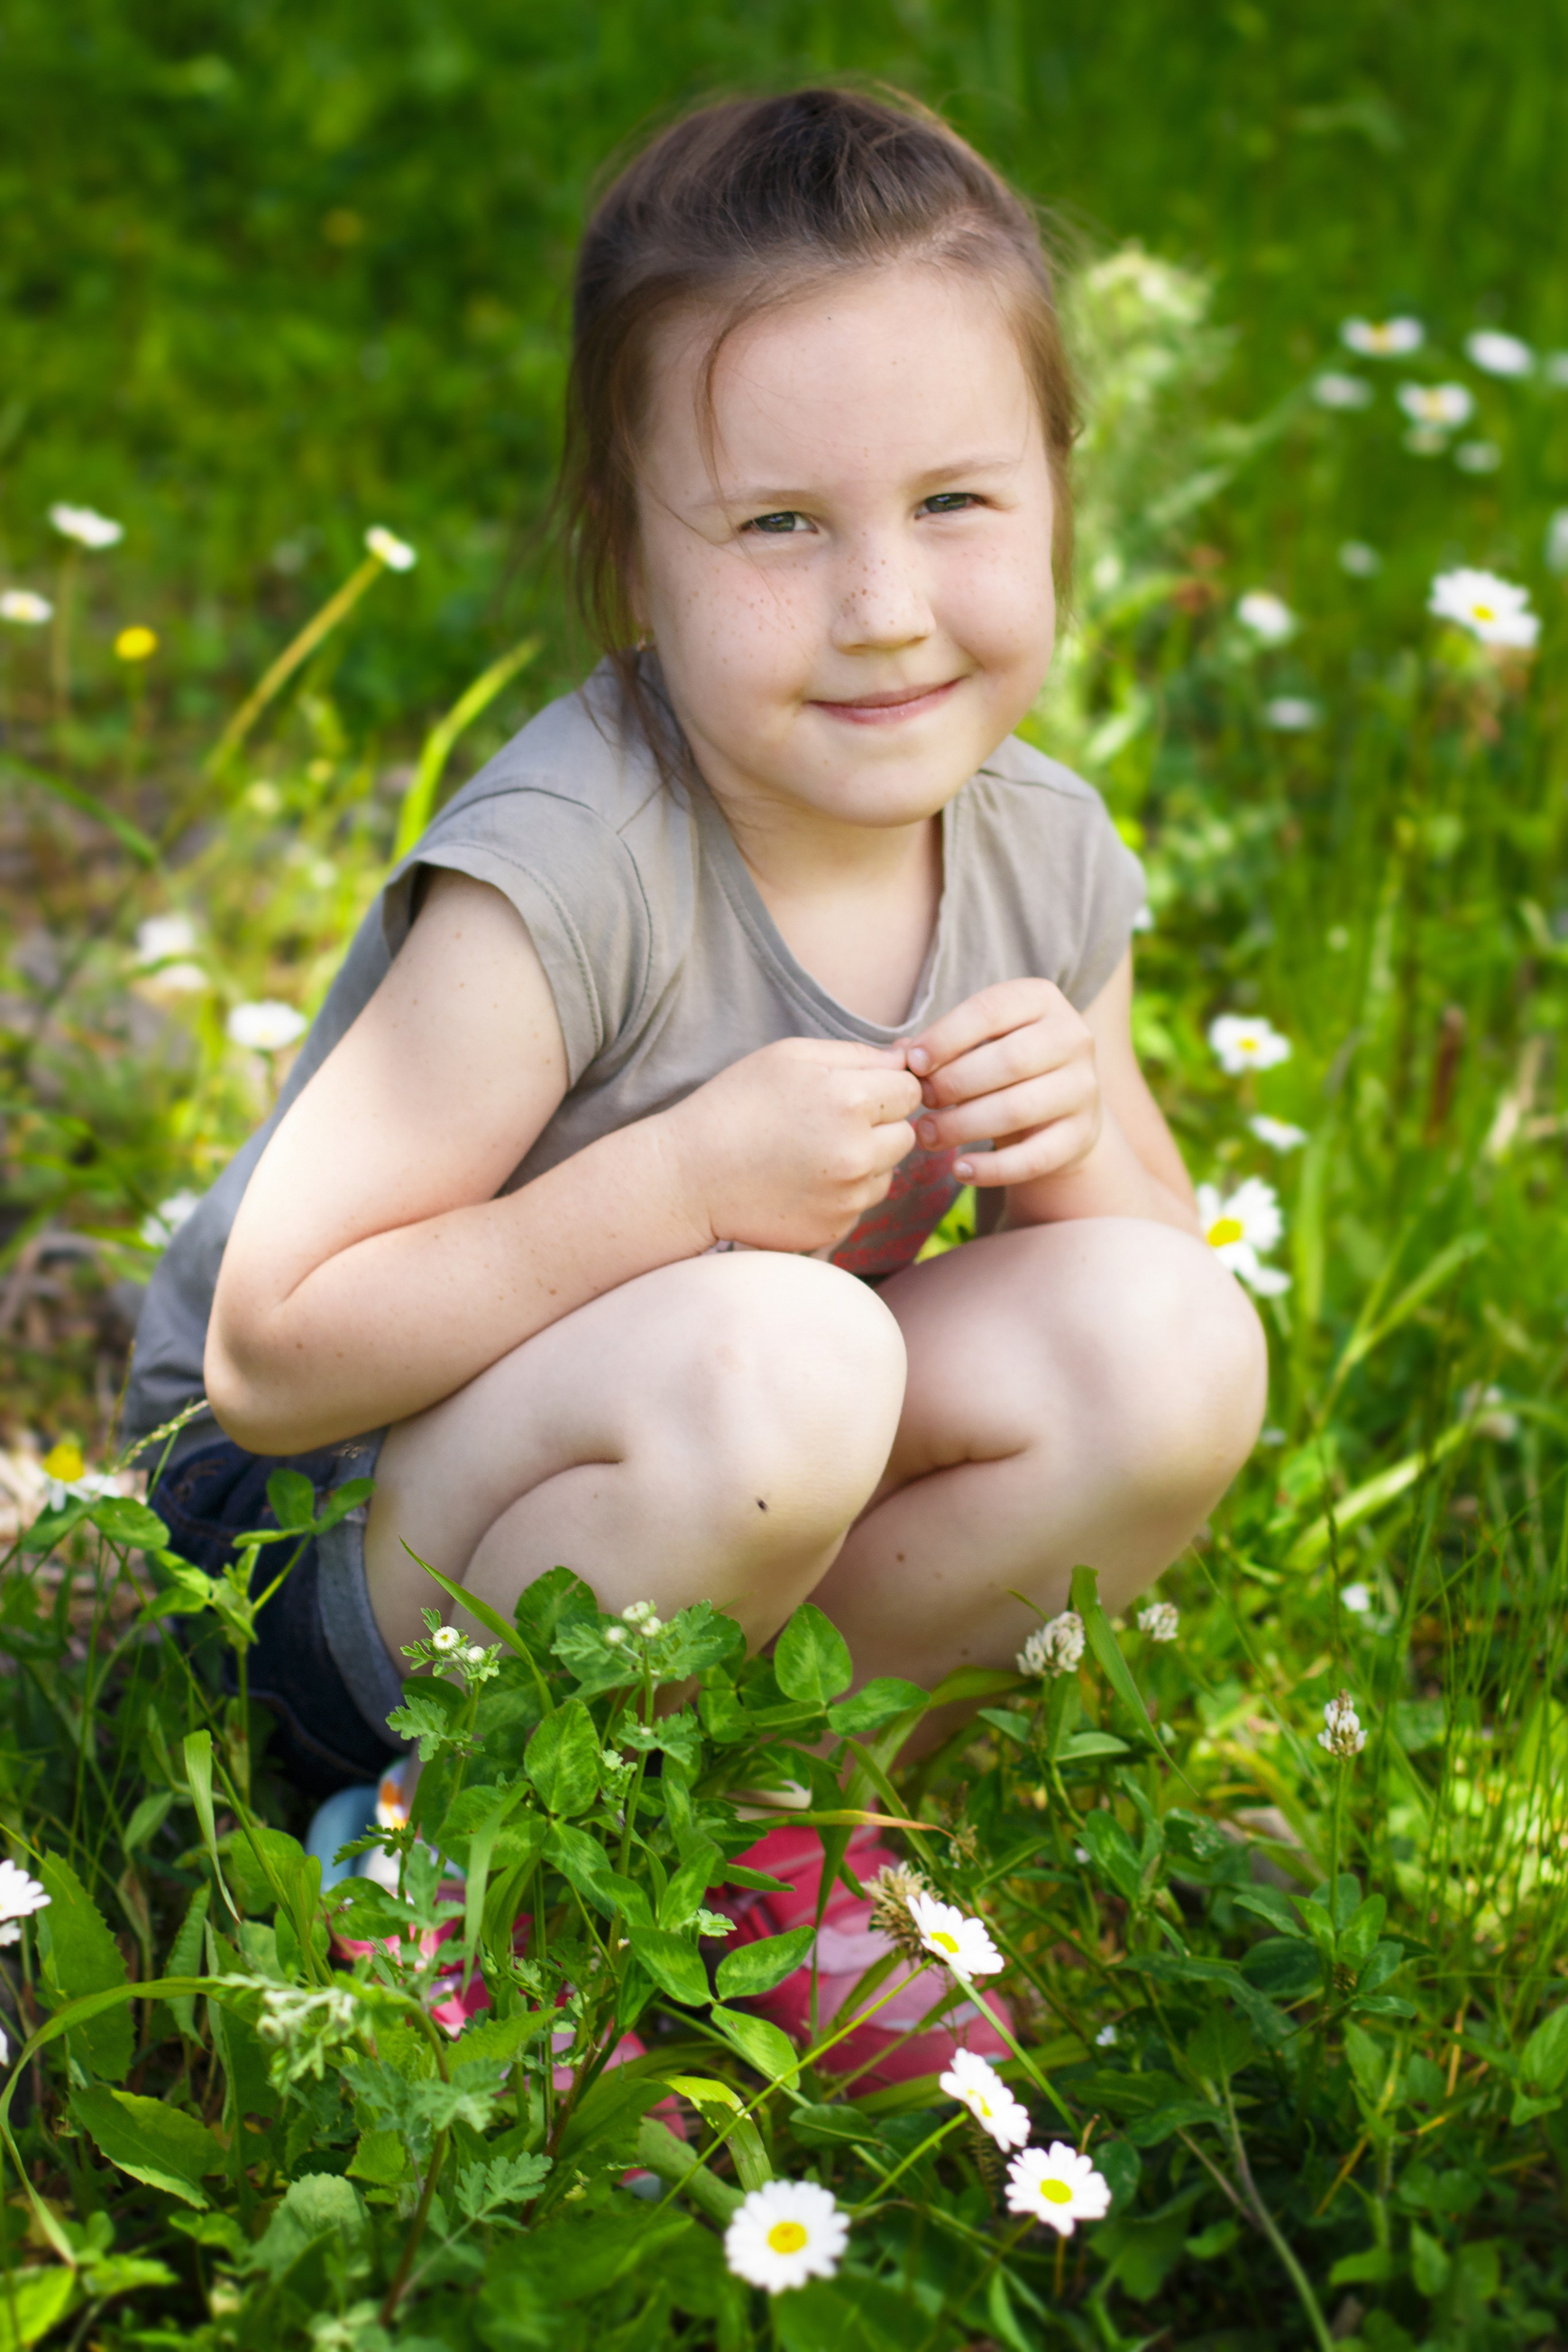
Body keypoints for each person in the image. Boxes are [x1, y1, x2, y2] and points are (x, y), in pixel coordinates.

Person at [127, 86, 1265, 2078]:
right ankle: (458, 1871)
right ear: (631, 552)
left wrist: (1072, 1152)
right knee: (785, 1352)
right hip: (316, 1547)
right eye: (780, 527)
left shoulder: (1037, 850)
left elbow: (1131, 1314)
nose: (887, 605)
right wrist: (675, 1191)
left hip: (692, 1495)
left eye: (957, 503)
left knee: (1174, 1338)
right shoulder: (573, 863)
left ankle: (756, 1841)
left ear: (1063, 495)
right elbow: (273, 1355)